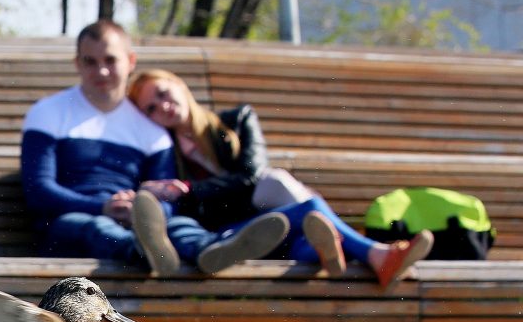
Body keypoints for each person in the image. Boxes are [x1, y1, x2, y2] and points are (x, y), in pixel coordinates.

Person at [19, 20, 290, 277]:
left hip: (135, 219)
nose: (101, 71)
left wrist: (140, 210)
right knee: (97, 227)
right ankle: (143, 252)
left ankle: (212, 250)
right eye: (90, 62)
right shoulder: (48, 113)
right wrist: (102, 207)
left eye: (110, 60)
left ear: (130, 61)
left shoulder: (152, 130)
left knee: (178, 225)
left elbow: (165, 199)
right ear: (77, 64)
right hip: (68, 225)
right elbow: (38, 191)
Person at [126, 68, 434, 288]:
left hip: (271, 222)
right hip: (237, 234)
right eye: (151, 108)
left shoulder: (237, 120)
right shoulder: (166, 153)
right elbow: (196, 213)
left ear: (180, 86)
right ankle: (374, 253)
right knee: (307, 208)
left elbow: (251, 176)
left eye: (164, 94)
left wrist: (191, 190)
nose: (163, 108)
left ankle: (330, 248)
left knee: (281, 192)